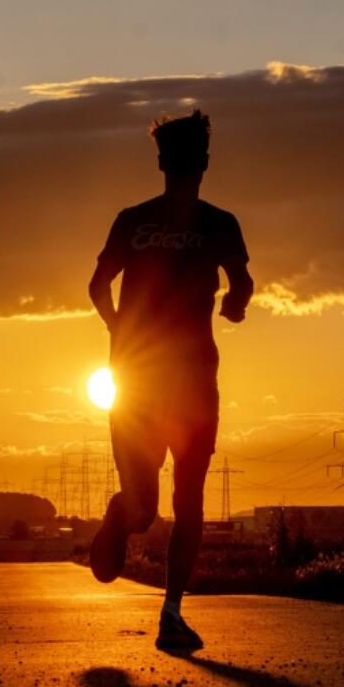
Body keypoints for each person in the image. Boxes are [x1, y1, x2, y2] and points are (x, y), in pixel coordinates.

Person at [88, 109, 253, 651]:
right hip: (161, 385)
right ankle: (130, 533)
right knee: (162, 509)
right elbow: (242, 285)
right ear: (204, 162)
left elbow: (96, 288)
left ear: (163, 161)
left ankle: (171, 611)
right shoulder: (194, 222)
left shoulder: (151, 221)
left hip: (158, 382)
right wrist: (234, 305)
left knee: (178, 502)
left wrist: (118, 331)